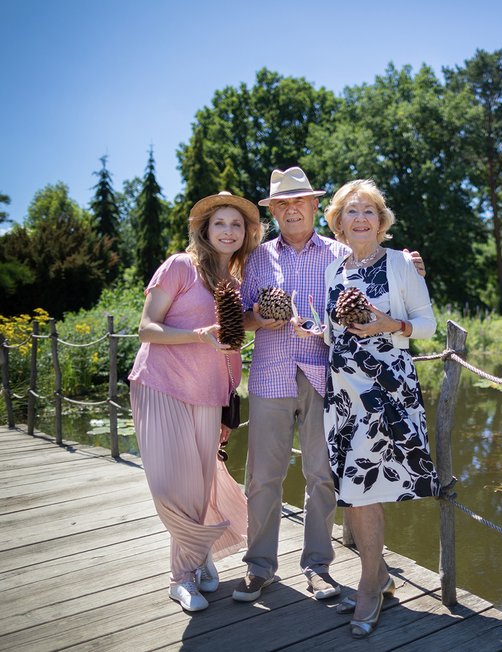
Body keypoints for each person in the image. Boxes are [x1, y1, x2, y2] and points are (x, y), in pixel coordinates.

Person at [235, 166, 425, 604]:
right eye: (281, 204)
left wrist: (413, 266)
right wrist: (259, 319)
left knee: (321, 477)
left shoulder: (341, 252)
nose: (291, 209)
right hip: (270, 375)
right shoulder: (258, 259)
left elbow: (386, 276)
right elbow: (241, 318)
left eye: (298, 201)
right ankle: (259, 567)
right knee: (263, 476)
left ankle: (318, 568)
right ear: (273, 212)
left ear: (316, 206)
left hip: (329, 379)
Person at [128, 191, 263, 611]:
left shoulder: (237, 283)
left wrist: (263, 319)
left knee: (201, 485)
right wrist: (196, 335)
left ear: (245, 234)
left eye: (236, 224)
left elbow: (233, 332)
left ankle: (195, 559)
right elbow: (146, 328)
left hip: (210, 394)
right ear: (205, 229)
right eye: (220, 223)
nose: (228, 230)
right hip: (161, 385)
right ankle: (181, 577)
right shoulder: (180, 266)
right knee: (172, 485)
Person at [319, 179, 439, 638]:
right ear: (339, 223)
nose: (361, 218)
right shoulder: (333, 271)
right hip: (343, 394)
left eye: (369, 210)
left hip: (386, 390)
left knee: (362, 488)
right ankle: (381, 573)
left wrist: (393, 325)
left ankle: (370, 584)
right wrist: (314, 330)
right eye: (351, 211)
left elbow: (426, 324)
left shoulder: (399, 265)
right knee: (350, 487)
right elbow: (334, 331)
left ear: (381, 221)